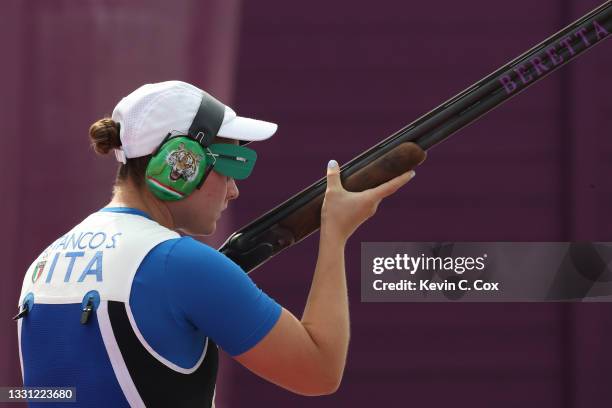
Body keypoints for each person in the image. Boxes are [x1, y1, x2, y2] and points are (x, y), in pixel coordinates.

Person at [16, 80, 419, 407]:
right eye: (229, 165)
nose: (233, 190)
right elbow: (319, 371)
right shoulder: (182, 265)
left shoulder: (43, 264)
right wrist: (335, 234)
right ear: (178, 164)